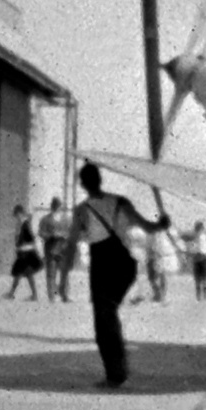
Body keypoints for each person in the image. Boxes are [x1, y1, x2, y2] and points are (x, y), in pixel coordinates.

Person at [64, 163, 169, 388]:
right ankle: (117, 370)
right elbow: (149, 227)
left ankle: (115, 373)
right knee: (109, 314)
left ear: (82, 184)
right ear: (100, 180)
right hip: (124, 264)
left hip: (103, 264)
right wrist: (162, 223)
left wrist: (62, 280)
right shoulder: (121, 202)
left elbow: (71, 243)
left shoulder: (82, 210)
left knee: (104, 321)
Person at [6, 205, 43, 301]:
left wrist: (21, 245)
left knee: (20, 273)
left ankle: (12, 293)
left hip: (26, 254)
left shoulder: (25, 224)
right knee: (24, 273)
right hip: (24, 253)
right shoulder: (22, 224)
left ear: (20, 213)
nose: (16, 217)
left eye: (17, 215)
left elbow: (31, 238)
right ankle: (32, 295)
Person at [38, 198, 72, 302]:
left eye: (59, 206)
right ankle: (51, 296)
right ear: (52, 207)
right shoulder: (45, 219)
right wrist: (51, 235)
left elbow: (71, 233)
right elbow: (41, 233)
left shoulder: (67, 220)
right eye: (55, 206)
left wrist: (65, 236)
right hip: (51, 250)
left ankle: (64, 295)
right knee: (51, 274)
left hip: (63, 250)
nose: (57, 208)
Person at [187, 221, 206, 302]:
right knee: (198, 280)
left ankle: (203, 297)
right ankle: (199, 297)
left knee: (203, 280)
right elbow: (191, 248)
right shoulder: (195, 237)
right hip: (199, 259)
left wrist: (205, 253)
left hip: (203, 258)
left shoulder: (205, 237)